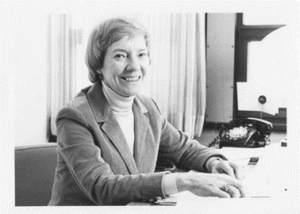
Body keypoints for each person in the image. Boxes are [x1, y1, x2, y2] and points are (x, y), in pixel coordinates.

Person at [48, 17, 247, 206]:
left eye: (141, 54)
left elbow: (184, 149)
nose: (134, 66)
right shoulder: (75, 116)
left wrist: (213, 162)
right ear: (98, 65)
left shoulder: (147, 106)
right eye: (120, 55)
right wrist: (185, 181)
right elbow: (102, 187)